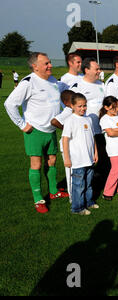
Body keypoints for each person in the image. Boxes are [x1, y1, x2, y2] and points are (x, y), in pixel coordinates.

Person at [4, 52, 69, 213]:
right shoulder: (28, 82)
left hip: (51, 130)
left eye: (49, 62)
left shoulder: (54, 81)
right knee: (36, 164)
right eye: (46, 63)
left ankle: (53, 192)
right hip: (35, 131)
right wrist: (22, 125)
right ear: (35, 66)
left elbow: (65, 98)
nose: (50, 66)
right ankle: (38, 199)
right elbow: (9, 104)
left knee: (52, 161)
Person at [62, 93, 98, 215]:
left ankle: (89, 202)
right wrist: (67, 158)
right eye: (79, 106)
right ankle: (77, 208)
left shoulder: (88, 119)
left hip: (89, 158)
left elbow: (92, 138)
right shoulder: (70, 120)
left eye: (84, 105)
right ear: (72, 106)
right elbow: (65, 140)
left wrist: (96, 152)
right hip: (78, 159)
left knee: (89, 183)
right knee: (79, 185)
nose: (83, 108)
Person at [71, 58, 107, 176]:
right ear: (86, 70)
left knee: (102, 156)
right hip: (86, 130)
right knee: (88, 159)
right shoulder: (78, 86)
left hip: (102, 129)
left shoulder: (101, 84)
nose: (99, 71)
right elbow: (70, 106)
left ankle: (101, 179)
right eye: (96, 69)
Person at [51, 90, 76, 202]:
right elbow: (54, 121)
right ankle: (72, 196)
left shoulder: (74, 110)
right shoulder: (67, 111)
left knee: (76, 171)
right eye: (72, 100)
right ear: (66, 103)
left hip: (74, 145)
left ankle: (77, 193)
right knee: (70, 172)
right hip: (67, 146)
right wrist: (66, 129)